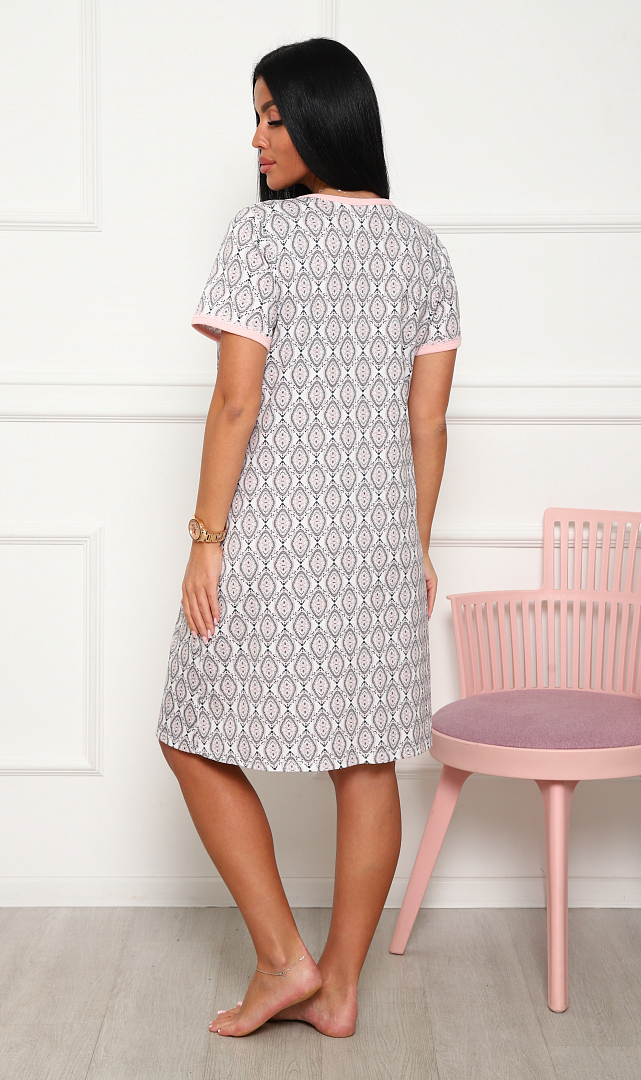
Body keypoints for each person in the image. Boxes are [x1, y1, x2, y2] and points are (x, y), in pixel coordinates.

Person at [156, 37, 460, 1038]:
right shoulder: (423, 250)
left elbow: (235, 403)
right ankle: (336, 989)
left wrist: (206, 537)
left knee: (189, 736)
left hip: (271, 544)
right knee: (365, 764)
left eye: (276, 116)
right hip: (377, 551)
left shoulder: (261, 238)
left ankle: (286, 961)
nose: (258, 138)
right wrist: (413, 545)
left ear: (329, 117)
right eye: (256, 117)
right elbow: (427, 423)